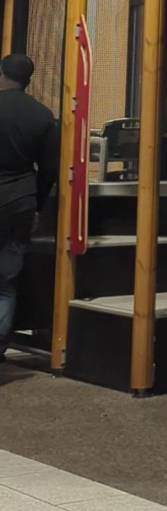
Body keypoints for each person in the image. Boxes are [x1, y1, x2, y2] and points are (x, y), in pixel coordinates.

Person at [0, 54, 59, 360]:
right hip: (19, 201)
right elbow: (49, 169)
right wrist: (37, 206)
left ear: (1, 73)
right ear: (29, 80)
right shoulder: (42, 116)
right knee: (6, 284)